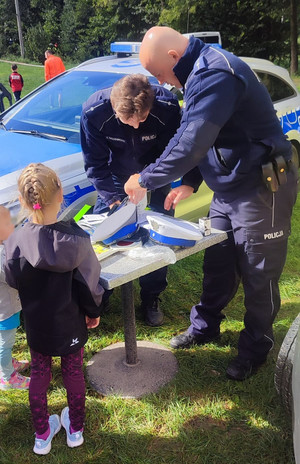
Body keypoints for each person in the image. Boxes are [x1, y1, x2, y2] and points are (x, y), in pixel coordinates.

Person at [124, 26, 298, 381]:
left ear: (173, 57)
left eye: (160, 74)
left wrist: (144, 179)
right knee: (217, 262)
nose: (164, 83)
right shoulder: (195, 72)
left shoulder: (216, 72)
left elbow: (193, 143)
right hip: (228, 189)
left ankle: (255, 348)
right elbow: (202, 132)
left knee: (258, 273)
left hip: (261, 188)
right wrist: (190, 183)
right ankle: (205, 327)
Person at [4, 163, 104, 455]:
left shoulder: (15, 241)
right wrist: (93, 311)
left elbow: (11, 278)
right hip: (70, 323)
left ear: (22, 201)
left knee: (40, 375)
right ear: (61, 195)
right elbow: (90, 283)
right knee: (73, 374)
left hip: (37, 324)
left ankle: (42, 435)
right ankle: (75, 429)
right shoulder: (77, 240)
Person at [80, 73, 183, 326]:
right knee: (106, 236)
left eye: (143, 119)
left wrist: (145, 178)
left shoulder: (168, 107)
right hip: (115, 177)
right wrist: (114, 201)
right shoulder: (94, 112)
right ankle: (101, 294)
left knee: (158, 236)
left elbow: (175, 152)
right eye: (127, 120)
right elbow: (95, 164)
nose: (136, 126)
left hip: (156, 174)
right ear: (114, 108)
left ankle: (152, 296)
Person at [0, 205, 30, 390]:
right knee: (5, 343)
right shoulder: (3, 256)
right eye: (8, 222)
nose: (12, 225)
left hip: (5, 306)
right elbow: (14, 279)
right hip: (5, 310)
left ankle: (7, 363)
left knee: (4, 342)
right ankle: (7, 377)